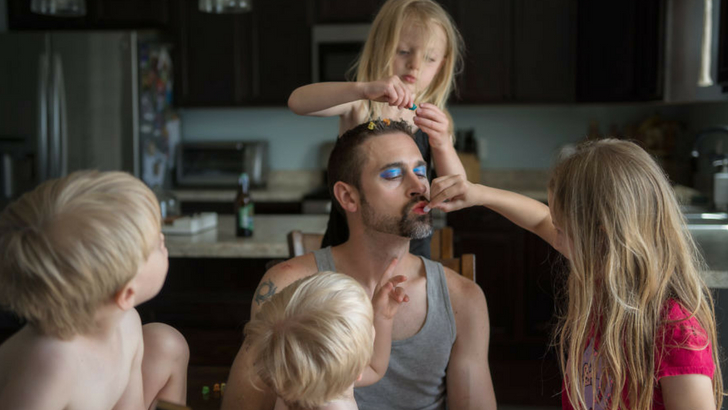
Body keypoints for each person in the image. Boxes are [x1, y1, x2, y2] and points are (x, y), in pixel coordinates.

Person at [427, 138, 724, 410]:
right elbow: (538, 219)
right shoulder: (603, 279)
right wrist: (477, 193)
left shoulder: (676, 333)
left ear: (601, 236)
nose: (554, 237)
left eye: (560, 229)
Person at [223, 119, 495, 410]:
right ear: (348, 197)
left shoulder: (463, 300)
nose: (419, 186)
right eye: (393, 175)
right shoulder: (287, 288)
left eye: (420, 172)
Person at [288, 0, 466, 258]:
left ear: (442, 65)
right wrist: (362, 89)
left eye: (429, 58)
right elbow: (297, 102)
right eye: (403, 51)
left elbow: (456, 193)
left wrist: (443, 143)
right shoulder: (360, 105)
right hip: (347, 253)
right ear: (380, 47)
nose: (415, 64)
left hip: (413, 255)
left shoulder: (434, 120)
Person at [0, 170, 190, 409]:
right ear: (126, 294)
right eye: (154, 244)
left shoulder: (126, 324)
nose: (162, 239)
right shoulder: (50, 365)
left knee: (168, 341)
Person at [244, 270, 407, 410]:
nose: (373, 327)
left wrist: (383, 317)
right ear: (357, 372)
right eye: (370, 324)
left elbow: (374, 367)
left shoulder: (295, 384)